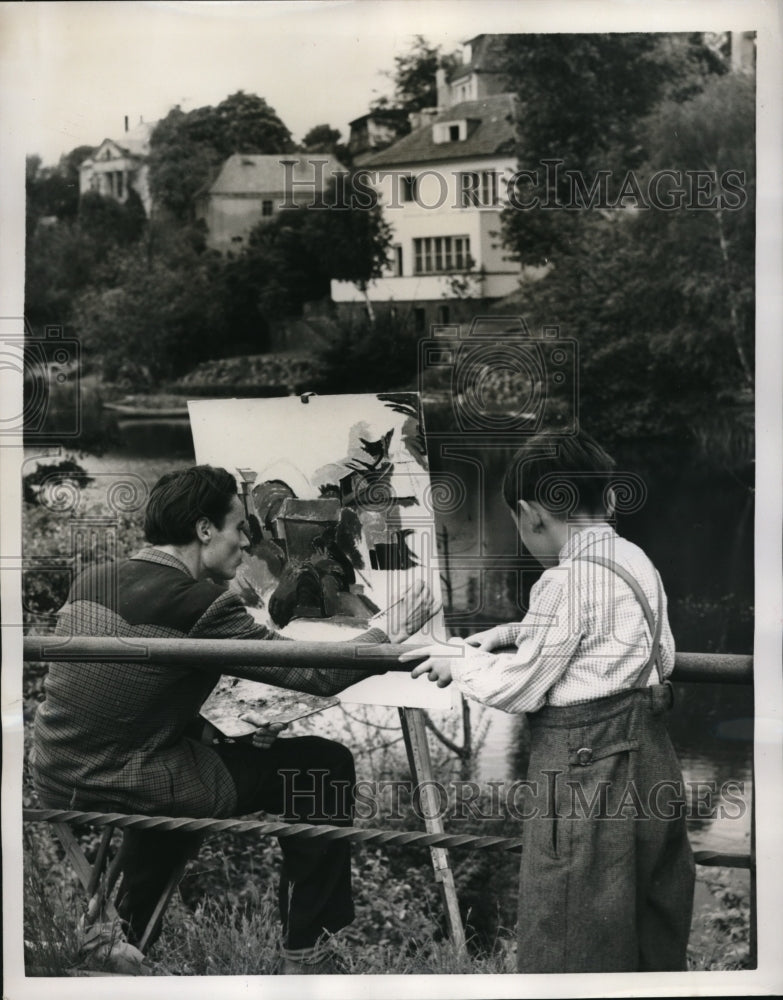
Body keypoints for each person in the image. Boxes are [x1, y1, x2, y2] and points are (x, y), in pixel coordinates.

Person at [32, 465, 436, 974]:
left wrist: (233, 725)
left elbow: (133, 695)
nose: (249, 543)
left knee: (181, 785)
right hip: (126, 778)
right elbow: (315, 673)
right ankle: (307, 954)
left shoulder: (93, 578)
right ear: (204, 530)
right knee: (321, 766)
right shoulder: (198, 603)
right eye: (240, 528)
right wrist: (388, 633)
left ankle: (119, 941)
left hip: (57, 774)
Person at [401, 432, 695, 973]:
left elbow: (521, 687)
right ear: (606, 500)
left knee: (569, 920)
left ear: (532, 514)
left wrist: (459, 661)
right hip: (650, 756)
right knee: (650, 913)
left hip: (582, 767)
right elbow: (664, 655)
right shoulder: (635, 561)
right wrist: (513, 631)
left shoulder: (562, 581)